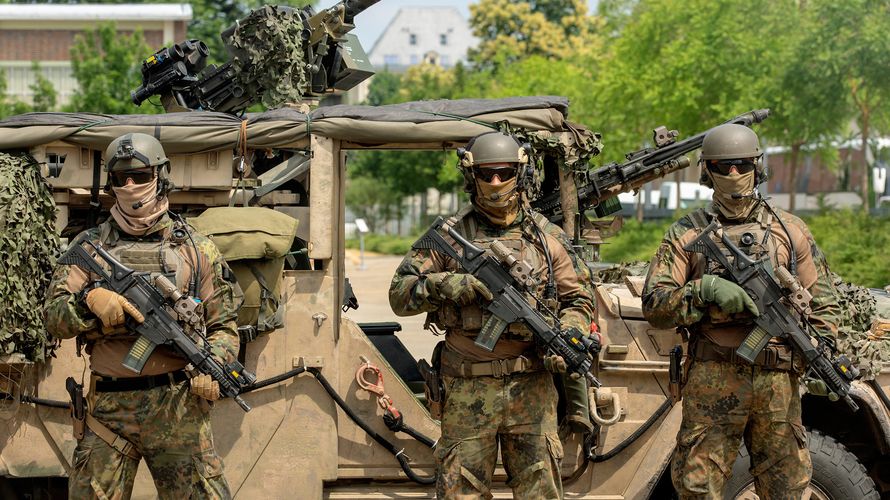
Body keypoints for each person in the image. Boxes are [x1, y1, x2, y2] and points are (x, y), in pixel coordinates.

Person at [389, 131, 598, 499]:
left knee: (540, 491)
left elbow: (579, 300)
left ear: (520, 173)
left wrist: (569, 330)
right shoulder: (451, 236)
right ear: (472, 177)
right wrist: (446, 284)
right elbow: (399, 294)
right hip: (467, 389)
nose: (496, 182)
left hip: (531, 389)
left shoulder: (547, 240)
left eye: (504, 172)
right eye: (487, 174)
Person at [641, 124, 841, 499]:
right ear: (707, 171)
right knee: (699, 488)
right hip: (712, 378)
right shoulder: (687, 233)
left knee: (789, 488)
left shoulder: (790, 230)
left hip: (779, 383)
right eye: (723, 166)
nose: (734, 174)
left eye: (742, 165)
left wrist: (815, 355)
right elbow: (655, 305)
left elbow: (825, 305)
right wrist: (704, 292)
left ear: (758, 167)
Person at [44, 133, 240, 499]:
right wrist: (91, 303)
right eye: (121, 177)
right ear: (111, 183)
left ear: (161, 177)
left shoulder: (197, 249)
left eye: (140, 175)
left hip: (178, 406)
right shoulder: (90, 247)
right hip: (107, 411)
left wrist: (215, 365)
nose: (131, 185)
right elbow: (53, 318)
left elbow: (225, 326)